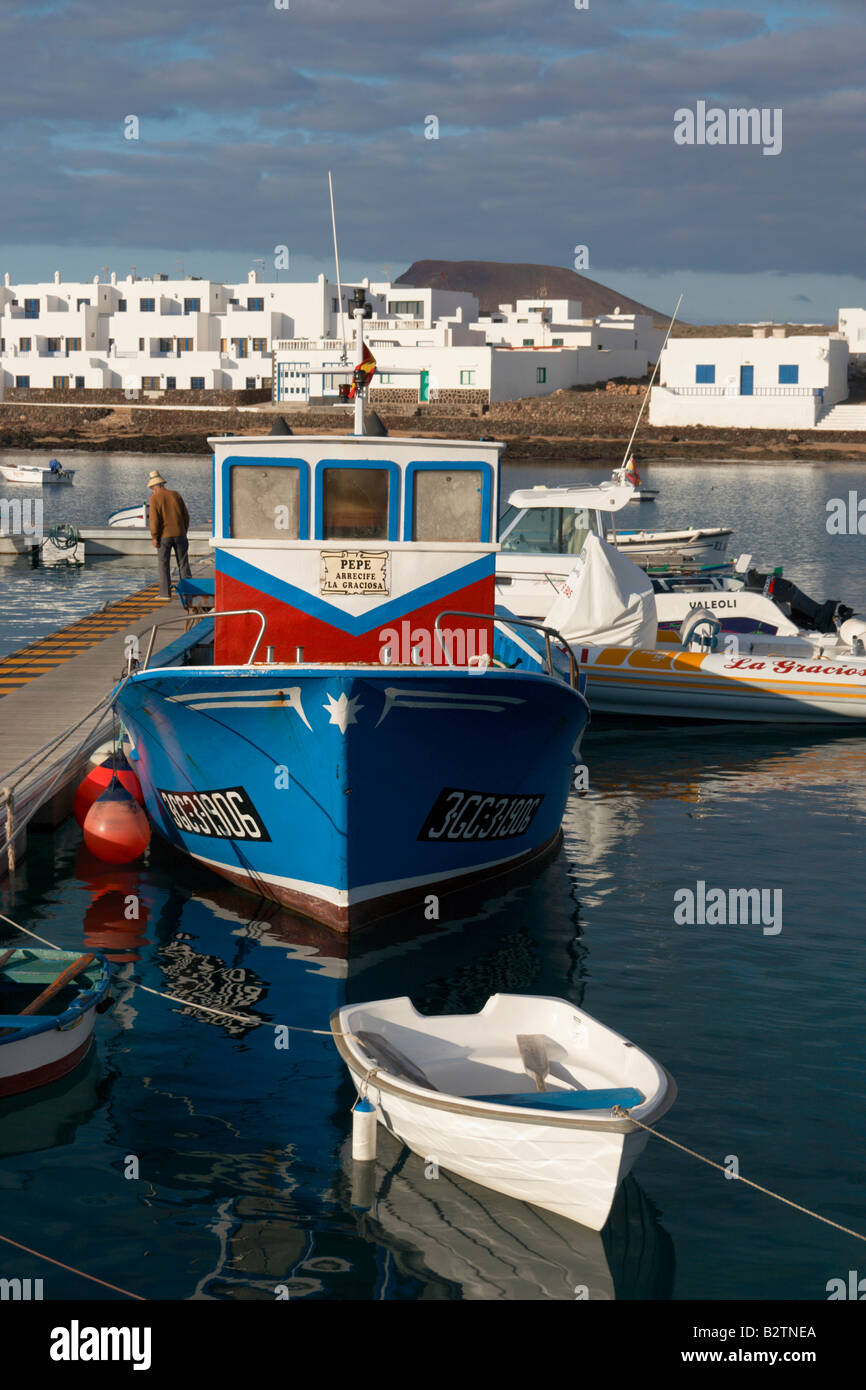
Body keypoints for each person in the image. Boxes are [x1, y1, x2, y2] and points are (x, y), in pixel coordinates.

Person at [148, 470, 191, 597]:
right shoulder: (175, 495)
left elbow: (154, 520)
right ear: (162, 484)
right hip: (180, 534)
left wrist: (155, 537)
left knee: (163, 565)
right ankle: (188, 592)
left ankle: (165, 593)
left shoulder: (154, 498)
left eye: (151, 488)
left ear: (154, 487)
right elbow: (186, 516)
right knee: (183, 563)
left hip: (164, 537)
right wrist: (183, 530)